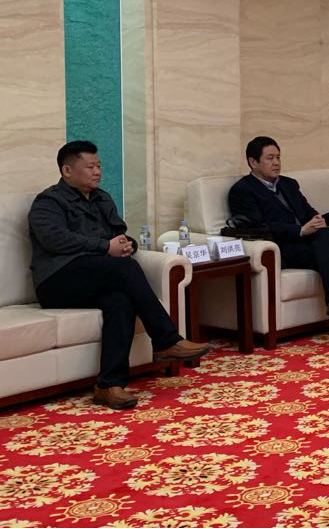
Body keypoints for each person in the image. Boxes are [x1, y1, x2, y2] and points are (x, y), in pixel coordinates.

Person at [29, 141, 210, 410]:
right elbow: (55, 240)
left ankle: (109, 385)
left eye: (99, 166)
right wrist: (105, 247)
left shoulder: (102, 198)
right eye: (89, 167)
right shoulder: (49, 202)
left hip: (97, 276)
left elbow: (119, 233)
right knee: (125, 269)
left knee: (120, 301)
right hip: (57, 280)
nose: (97, 172)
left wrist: (127, 245)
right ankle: (166, 339)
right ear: (67, 170)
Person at [227, 136, 329, 341]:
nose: (276, 163)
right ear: (253, 162)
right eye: (270, 158)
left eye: (278, 157)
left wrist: (317, 220)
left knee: (328, 235)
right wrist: (300, 231)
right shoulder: (242, 191)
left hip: (309, 242)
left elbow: (307, 211)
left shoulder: (288, 184)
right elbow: (258, 227)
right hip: (281, 248)